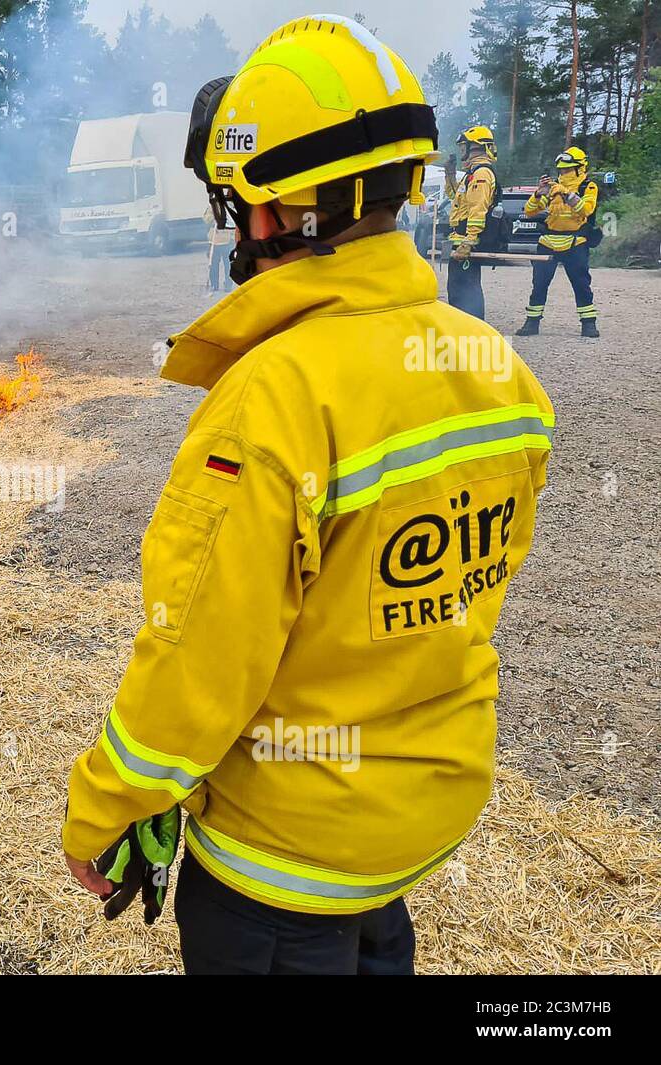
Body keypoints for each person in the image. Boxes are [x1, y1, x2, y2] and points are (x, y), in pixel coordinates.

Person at [62, 15, 555, 975]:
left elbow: (198, 659)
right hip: (418, 818)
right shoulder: (496, 368)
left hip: (283, 862)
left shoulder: (273, 400)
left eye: (231, 204)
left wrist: (104, 806)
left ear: (268, 213)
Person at [515, 147, 599, 338]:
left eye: (567, 170)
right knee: (539, 284)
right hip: (548, 241)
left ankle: (588, 324)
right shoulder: (553, 189)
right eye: (560, 170)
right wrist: (538, 194)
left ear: (579, 168)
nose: (563, 174)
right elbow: (530, 211)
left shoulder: (589, 186)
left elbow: (586, 210)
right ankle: (532, 323)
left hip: (575, 242)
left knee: (581, 284)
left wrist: (568, 195)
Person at [445, 126, 499, 320]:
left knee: (466, 291)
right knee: (458, 289)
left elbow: (478, 209)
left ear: (475, 147)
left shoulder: (481, 174)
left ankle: (472, 329)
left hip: (466, 242)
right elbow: (455, 198)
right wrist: (450, 176)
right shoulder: (471, 173)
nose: (461, 152)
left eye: (463, 147)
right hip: (460, 239)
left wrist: (469, 241)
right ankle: (463, 328)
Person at [202, 203, 234, 294]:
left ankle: (228, 284)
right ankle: (214, 284)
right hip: (214, 241)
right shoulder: (212, 206)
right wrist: (213, 218)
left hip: (227, 240)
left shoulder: (229, 205)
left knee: (228, 265)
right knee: (213, 264)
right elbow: (206, 219)